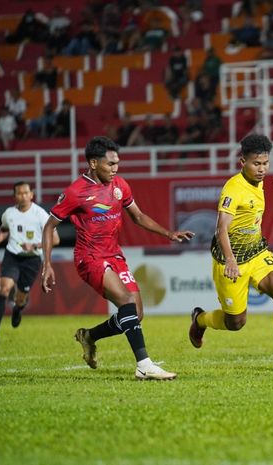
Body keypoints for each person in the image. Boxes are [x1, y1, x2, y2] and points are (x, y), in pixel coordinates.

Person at [41, 136, 195, 380]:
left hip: (114, 255)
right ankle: (144, 365)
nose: (115, 169)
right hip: (89, 257)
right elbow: (49, 226)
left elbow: (138, 216)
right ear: (93, 163)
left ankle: (89, 336)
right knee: (125, 301)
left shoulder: (120, 185)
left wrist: (168, 233)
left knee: (136, 313)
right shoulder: (75, 192)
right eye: (110, 164)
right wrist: (47, 264)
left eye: (117, 163)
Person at [188, 134, 273, 376]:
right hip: (230, 261)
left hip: (257, 252)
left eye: (265, 163)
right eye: (256, 163)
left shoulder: (258, 182)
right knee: (236, 323)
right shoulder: (233, 189)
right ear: (242, 162)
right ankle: (200, 320)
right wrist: (231, 260)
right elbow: (221, 229)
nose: (262, 169)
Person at [0, 182, 59, 345]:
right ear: (15, 196)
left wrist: (36, 245)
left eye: (26, 193)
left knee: (20, 297)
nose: (23, 196)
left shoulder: (40, 214)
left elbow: (55, 239)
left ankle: (18, 309)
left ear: (31, 195)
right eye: (19, 193)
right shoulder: (9, 213)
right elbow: (4, 229)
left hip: (32, 260)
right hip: (12, 256)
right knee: (3, 288)